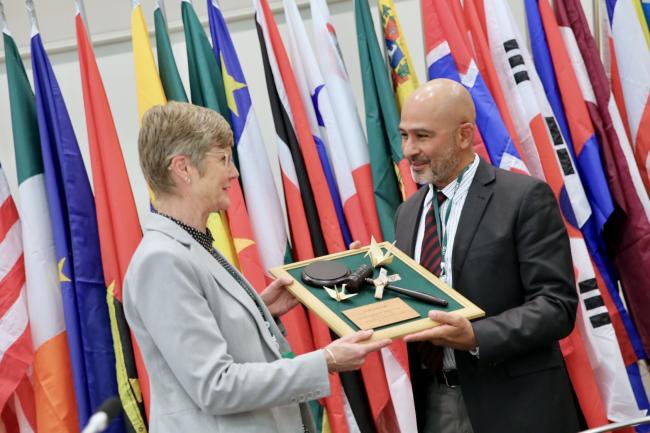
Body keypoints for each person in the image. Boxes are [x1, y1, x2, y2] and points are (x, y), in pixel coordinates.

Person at [123, 101, 391, 433]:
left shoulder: (193, 245)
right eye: (222, 159)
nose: (234, 172)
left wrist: (259, 309)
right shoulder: (162, 260)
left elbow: (209, 332)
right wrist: (326, 362)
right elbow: (216, 385)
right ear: (183, 168)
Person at [396, 79, 580, 433]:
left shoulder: (523, 198)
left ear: (464, 136)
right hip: (435, 401)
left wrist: (478, 336)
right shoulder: (409, 212)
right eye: (404, 136)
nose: (409, 150)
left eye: (422, 136)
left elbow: (556, 305)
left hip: (516, 406)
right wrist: (373, 276)